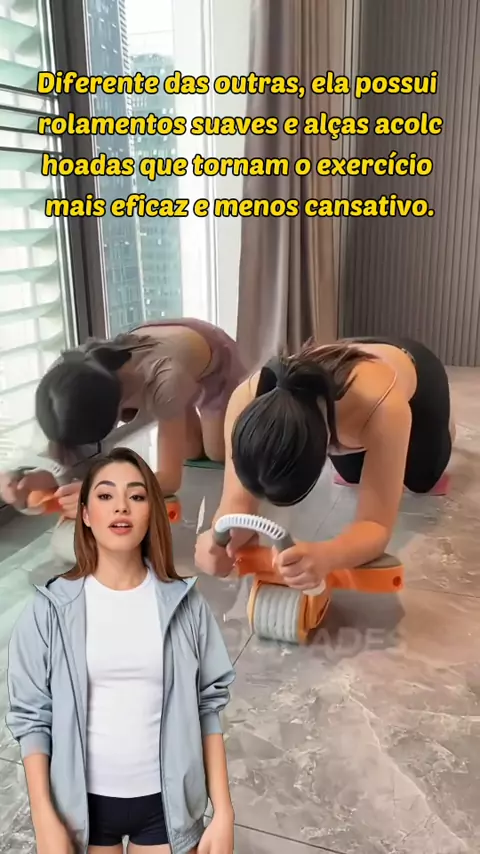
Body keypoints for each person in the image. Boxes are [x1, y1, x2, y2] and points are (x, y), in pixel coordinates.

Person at [6, 446, 235, 854]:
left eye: (137, 495)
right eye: (106, 495)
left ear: (151, 513)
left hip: (166, 807)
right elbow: (32, 718)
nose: (121, 507)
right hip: (82, 810)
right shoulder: (49, 609)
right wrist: (44, 818)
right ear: (85, 514)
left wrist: (224, 813)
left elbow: (207, 708)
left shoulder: (186, 605)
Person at [194, 336, 455, 587]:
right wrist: (219, 538)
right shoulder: (246, 398)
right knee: (352, 476)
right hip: (346, 363)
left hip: (414, 369)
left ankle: (448, 429)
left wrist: (327, 555)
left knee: (421, 479)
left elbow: (376, 525)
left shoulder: (384, 407)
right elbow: (236, 502)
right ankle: (367, 445)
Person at [0, 318, 246, 519]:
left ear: (119, 411)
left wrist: (102, 492)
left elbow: (170, 479)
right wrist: (31, 474)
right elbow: (61, 446)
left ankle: (188, 400)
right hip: (166, 350)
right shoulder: (65, 376)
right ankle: (183, 404)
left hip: (212, 356)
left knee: (217, 453)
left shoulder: (165, 379)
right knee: (191, 452)